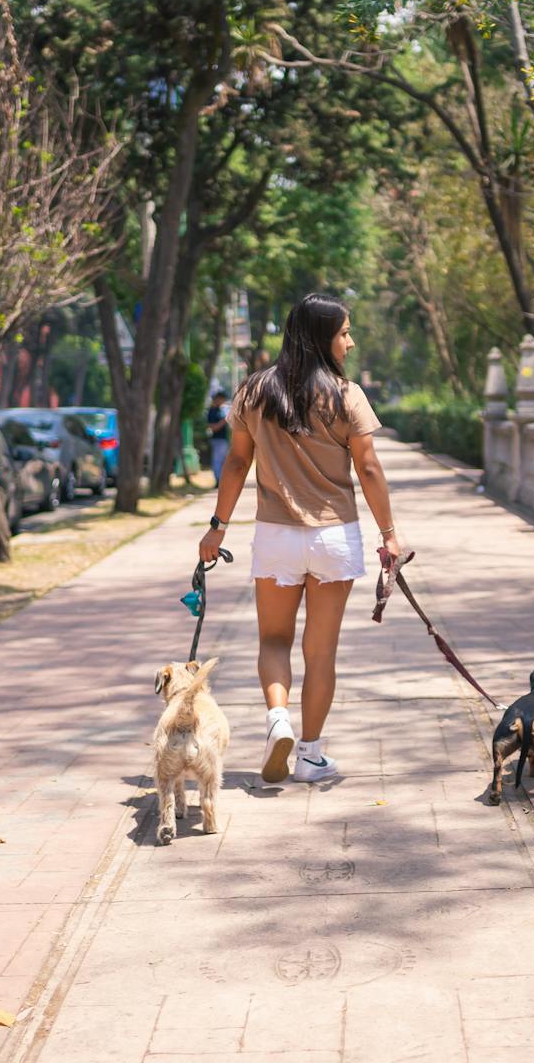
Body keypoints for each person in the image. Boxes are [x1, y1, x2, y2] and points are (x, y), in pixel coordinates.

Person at [198, 294, 404, 786]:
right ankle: (310, 755)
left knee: (272, 639)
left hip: (275, 536)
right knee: (321, 651)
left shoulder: (253, 391)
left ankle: (277, 721)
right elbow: (369, 467)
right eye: (344, 333)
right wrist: (390, 535)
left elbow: (235, 463)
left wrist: (218, 526)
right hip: (335, 537)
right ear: (320, 336)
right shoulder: (345, 394)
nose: (350, 342)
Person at [206, 389, 231, 482]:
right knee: (217, 461)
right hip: (217, 439)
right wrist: (224, 421)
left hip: (224, 439)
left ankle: (224, 479)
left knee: (224, 461)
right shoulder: (212, 411)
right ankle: (218, 479)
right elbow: (212, 427)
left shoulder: (223, 410)